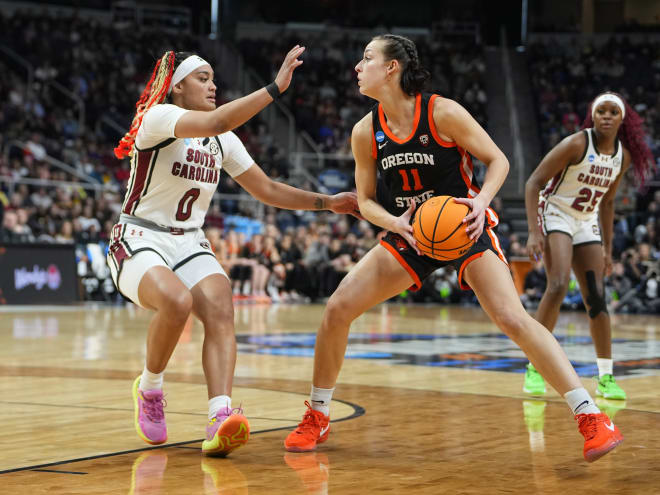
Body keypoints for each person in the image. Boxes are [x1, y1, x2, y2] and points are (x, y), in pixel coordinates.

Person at [284, 34, 623, 462]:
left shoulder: (442, 112)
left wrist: (481, 203)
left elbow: (498, 160)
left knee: (512, 318)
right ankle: (318, 414)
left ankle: (591, 416)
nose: (357, 66)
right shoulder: (364, 131)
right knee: (337, 309)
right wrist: (394, 223)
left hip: (461, 226)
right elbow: (365, 200)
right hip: (410, 233)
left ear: (392, 68)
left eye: (367, 58)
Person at [107, 46, 361, 456]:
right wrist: (275, 88)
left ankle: (219, 416)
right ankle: (150, 389)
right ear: (176, 88)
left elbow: (268, 189)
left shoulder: (222, 141)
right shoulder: (159, 119)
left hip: (189, 239)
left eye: (212, 78)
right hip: (139, 236)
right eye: (203, 78)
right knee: (175, 300)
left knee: (221, 306)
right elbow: (218, 118)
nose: (213, 85)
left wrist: (327, 202)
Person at [523, 92, 654, 400]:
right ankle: (534, 366)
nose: (606, 116)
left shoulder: (622, 156)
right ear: (593, 116)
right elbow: (533, 182)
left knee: (597, 297)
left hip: (586, 219)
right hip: (556, 212)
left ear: (622, 120)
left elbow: (608, 202)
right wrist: (533, 231)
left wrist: (608, 248)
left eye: (613, 112)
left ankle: (606, 377)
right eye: (601, 111)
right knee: (556, 285)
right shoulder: (577, 143)